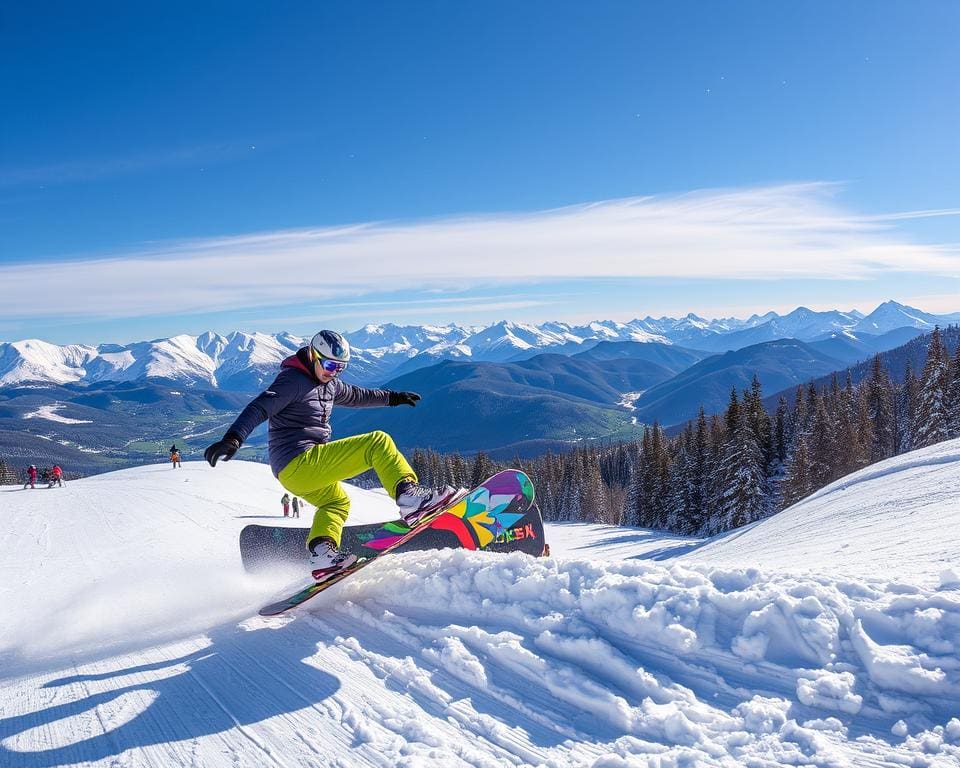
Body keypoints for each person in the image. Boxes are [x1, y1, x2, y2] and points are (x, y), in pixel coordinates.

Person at [204, 329, 458, 581]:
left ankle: (323, 556)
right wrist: (233, 438)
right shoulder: (292, 381)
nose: (333, 371)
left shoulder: (329, 383)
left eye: (340, 367)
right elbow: (260, 407)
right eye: (328, 364)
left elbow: (357, 395)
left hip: (295, 473)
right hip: (299, 461)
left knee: (336, 502)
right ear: (313, 356)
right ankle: (410, 500)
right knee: (377, 443)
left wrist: (392, 398)